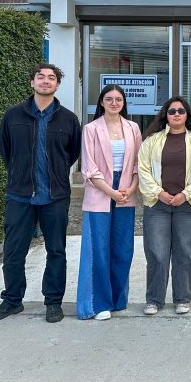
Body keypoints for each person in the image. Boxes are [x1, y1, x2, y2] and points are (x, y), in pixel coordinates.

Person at [0, 64, 81, 323]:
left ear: (57, 85)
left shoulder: (68, 119)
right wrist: (19, 174)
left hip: (55, 196)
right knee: (13, 252)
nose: (46, 81)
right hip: (20, 195)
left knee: (56, 251)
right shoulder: (12, 115)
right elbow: (6, 150)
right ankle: (12, 301)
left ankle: (53, 302)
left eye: (51, 78)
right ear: (32, 82)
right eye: (41, 77)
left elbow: (72, 153)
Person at [76, 84, 142, 321]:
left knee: (123, 249)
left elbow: (139, 163)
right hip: (100, 191)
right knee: (98, 249)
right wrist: (111, 192)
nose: (114, 103)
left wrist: (131, 188)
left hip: (126, 191)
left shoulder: (133, 128)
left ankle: (117, 299)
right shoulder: (91, 129)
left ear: (124, 103)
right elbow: (89, 168)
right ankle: (97, 304)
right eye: (109, 99)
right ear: (101, 102)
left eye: (118, 99)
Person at [138, 97, 191, 316]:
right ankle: (154, 299)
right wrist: (159, 193)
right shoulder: (152, 140)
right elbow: (143, 169)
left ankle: (182, 298)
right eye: (172, 111)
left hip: (187, 205)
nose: (176, 114)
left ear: (187, 115)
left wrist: (186, 195)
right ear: (165, 115)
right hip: (157, 205)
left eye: (181, 111)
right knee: (157, 254)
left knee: (185, 253)